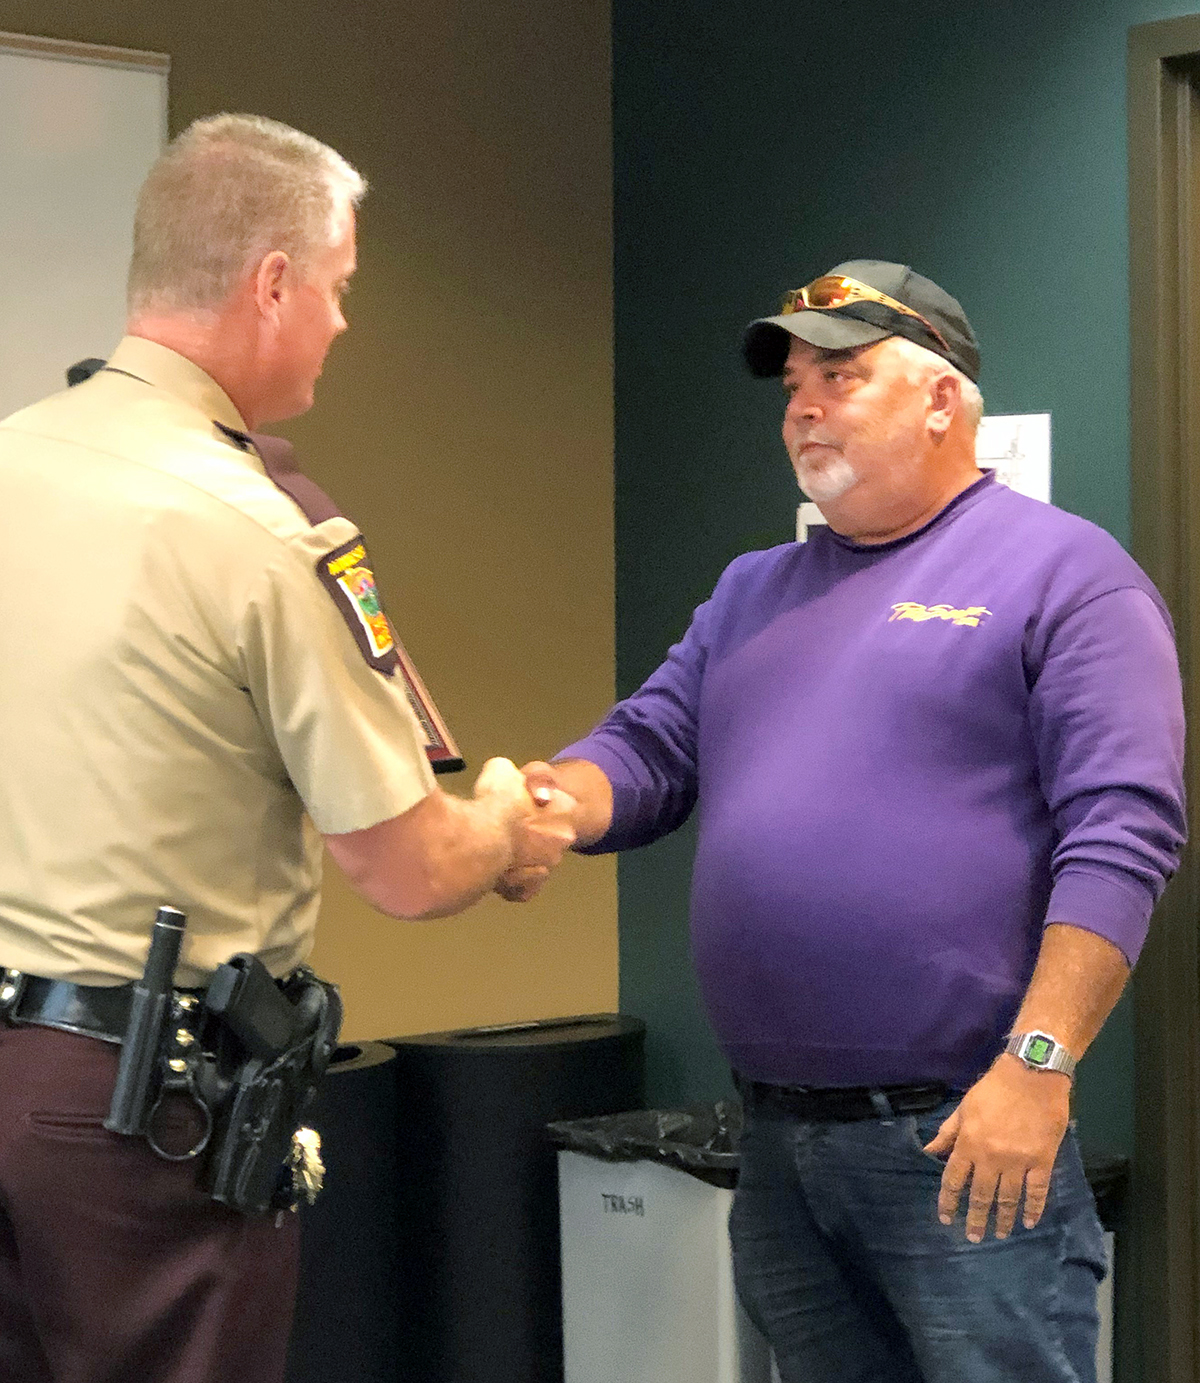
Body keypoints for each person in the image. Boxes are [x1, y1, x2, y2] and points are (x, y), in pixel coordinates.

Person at [501, 261, 1186, 1382]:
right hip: (779, 1143)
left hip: (967, 1133)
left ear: (941, 399)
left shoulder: (1067, 577)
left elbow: (1122, 836)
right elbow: (646, 752)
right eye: (790, 388)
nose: (803, 407)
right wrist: (543, 808)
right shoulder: (752, 591)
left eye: (840, 376)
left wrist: (1040, 1067)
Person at [0, 114, 574, 1383]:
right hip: (132, 1112)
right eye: (339, 287)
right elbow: (409, 867)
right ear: (272, 283)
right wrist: (511, 830)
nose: (342, 322)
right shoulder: (257, 530)